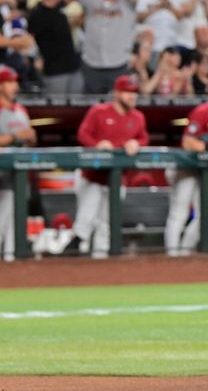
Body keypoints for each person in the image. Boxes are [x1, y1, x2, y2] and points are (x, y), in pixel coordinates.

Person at [57, 75, 149, 258]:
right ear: (117, 93)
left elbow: (143, 137)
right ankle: (70, 260)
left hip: (117, 179)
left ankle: (102, 264)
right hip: (92, 176)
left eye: (134, 93)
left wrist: (137, 143)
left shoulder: (137, 117)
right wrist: (97, 144)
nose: (132, 97)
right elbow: (83, 134)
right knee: (85, 221)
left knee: (107, 223)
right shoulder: (99, 111)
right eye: (127, 92)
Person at [0, 67, 37, 262]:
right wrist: (15, 136)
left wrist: (30, 138)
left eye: (15, 82)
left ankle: (12, 261)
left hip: (20, 172)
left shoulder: (21, 110)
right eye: (9, 82)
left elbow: (29, 139)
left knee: (16, 220)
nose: (14, 86)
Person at [164, 77, 208, 256]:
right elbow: (188, 141)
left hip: (206, 171)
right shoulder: (203, 111)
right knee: (179, 212)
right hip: (186, 168)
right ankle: (171, 255)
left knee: (207, 215)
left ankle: (184, 252)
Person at [71, 0, 139, 95]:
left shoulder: (126, 4)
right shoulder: (93, 1)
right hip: (92, 65)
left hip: (118, 65)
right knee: (91, 107)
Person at [27, 0, 83, 96]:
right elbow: (29, 39)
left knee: (77, 106)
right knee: (57, 107)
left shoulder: (60, 6)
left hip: (73, 67)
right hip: (55, 71)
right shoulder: (37, 14)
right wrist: (36, 57)